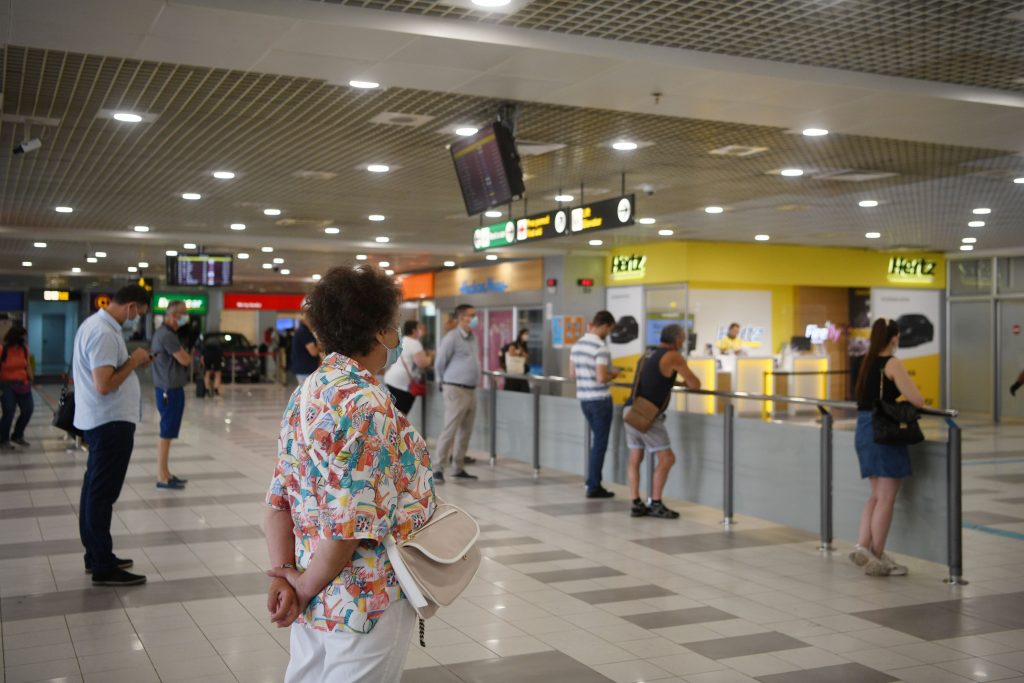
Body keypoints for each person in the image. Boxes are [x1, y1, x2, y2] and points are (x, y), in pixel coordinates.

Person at [263, 265, 435, 683]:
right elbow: (347, 527)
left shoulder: (309, 391)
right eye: (391, 326)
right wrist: (299, 590)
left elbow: (276, 503)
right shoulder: (368, 404)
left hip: (314, 583)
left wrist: (288, 576)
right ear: (379, 332)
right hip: (363, 597)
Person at [73, 284, 152, 586]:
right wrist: (135, 360)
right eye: (138, 313)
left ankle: (96, 554)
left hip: (102, 421)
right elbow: (104, 384)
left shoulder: (96, 326)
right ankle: (103, 564)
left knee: (94, 489)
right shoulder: (104, 333)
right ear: (131, 306)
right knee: (101, 494)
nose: (136, 319)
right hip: (109, 424)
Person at [850, 318, 925, 577]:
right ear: (894, 338)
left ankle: (863, 546)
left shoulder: (865, 362)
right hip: (884, 432)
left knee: (875, 494)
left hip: (863, 428)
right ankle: (877, 557)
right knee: (887, 497)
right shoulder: (892, 363)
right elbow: (917, 399)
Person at [624, 324, 700, 519]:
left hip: (631, 409)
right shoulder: (674, 356)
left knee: (635, 458)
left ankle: (635, 502)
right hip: (648, 414)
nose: (684, 341)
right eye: (682, 338)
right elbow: (695, 384)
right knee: (667, 458)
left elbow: (654, 378)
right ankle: (655, 502)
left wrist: (672, 382)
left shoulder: (648, 354)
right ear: (676, 340)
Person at [569, 312, 620, 498]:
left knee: (595, 442)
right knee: (599, 444)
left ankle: (591, 481)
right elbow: (601, 377)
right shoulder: (600, 347)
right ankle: (594, 485)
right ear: (605, 326)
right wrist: (614, 374)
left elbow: (572, 374)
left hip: (584, 399)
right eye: (610, 329)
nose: (609, 333)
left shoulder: (578, 345)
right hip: (600, 400)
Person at [433, 304, 481, 483]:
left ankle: (458, 467)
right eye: (472, 315)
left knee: (465, 431)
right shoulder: (452, 337)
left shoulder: (472, 338)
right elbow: (440, 362)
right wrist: (441, 383)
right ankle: (438, 468)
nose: (475, 318)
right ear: (461, 318)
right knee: (450, 429)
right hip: (455, 388)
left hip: (470, 389)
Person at [150, 301, 192, 490]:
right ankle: (162, 476)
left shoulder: (165, 334)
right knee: (166, 433)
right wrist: (188, 356)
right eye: (182, 314)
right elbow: (184, 359)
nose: (184, 318)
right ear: (172, 314)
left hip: (168, 389)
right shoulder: (167, 336)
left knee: (168, 432)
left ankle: (165, 473)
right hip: (169, 390)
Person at [384, 319, 434, 415]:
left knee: (395, 411)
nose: (421, 331)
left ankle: (392, 428)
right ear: (414, 330)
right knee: (400, 415)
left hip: (391, 379)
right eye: (419, 328)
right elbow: (422, 363)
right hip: (403, 383)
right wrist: (431, 357)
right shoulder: (415, 343)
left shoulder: (400, 340)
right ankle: (395, 429)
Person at [0, 324, 34, 450]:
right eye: (23, 336)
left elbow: (28, 366)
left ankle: (17, 435)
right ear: (16, 336)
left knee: (28, 410)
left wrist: (31, 380)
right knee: (9, 412)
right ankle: (3, 439)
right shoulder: (2, 350)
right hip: (6, 386)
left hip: (23, 385)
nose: (25, 338)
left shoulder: (24, 349)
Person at [291, 315, 320, 385]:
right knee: (306, 393)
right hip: (305, 370)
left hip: (303, 369)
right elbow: (313, 352)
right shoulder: (304, 333)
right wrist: (320, 345)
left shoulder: (301, 332)